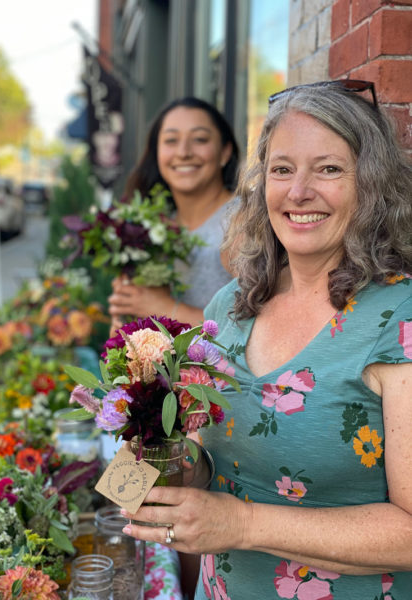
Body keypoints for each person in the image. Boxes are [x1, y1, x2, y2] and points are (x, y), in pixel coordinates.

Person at [118, 80, 412, 599]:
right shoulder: (231, 305)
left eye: (329, 169)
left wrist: (243, 524)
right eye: (282, 169)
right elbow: (214, 457)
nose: (298, 192)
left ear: (372, 185)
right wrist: (177, 467)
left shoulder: (398, 317)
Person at [107, 97, 240, 331]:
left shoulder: (241, 220)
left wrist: (163, 308)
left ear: (225, 152)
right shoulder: (153, 227)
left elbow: (259, 331)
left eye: (199, 139)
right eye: (170, 140)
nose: (183, 152)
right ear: (157, 153)